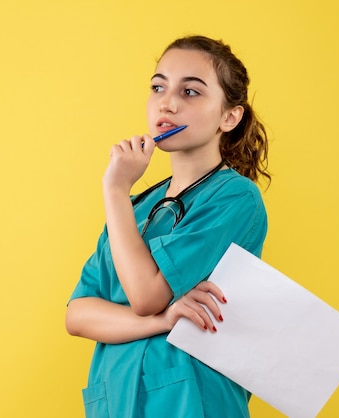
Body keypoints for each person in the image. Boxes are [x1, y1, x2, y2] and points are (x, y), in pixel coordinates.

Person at [65, 35, 271, 418]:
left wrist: (113, 188)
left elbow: (146, 295)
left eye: (190, 91)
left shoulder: (234, 198)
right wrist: (164, 319)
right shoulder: (137, 207)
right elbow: (77, 315)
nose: (168, 102)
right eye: (158, 87)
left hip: (188, 400)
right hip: (118, 398)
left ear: (230, 116)